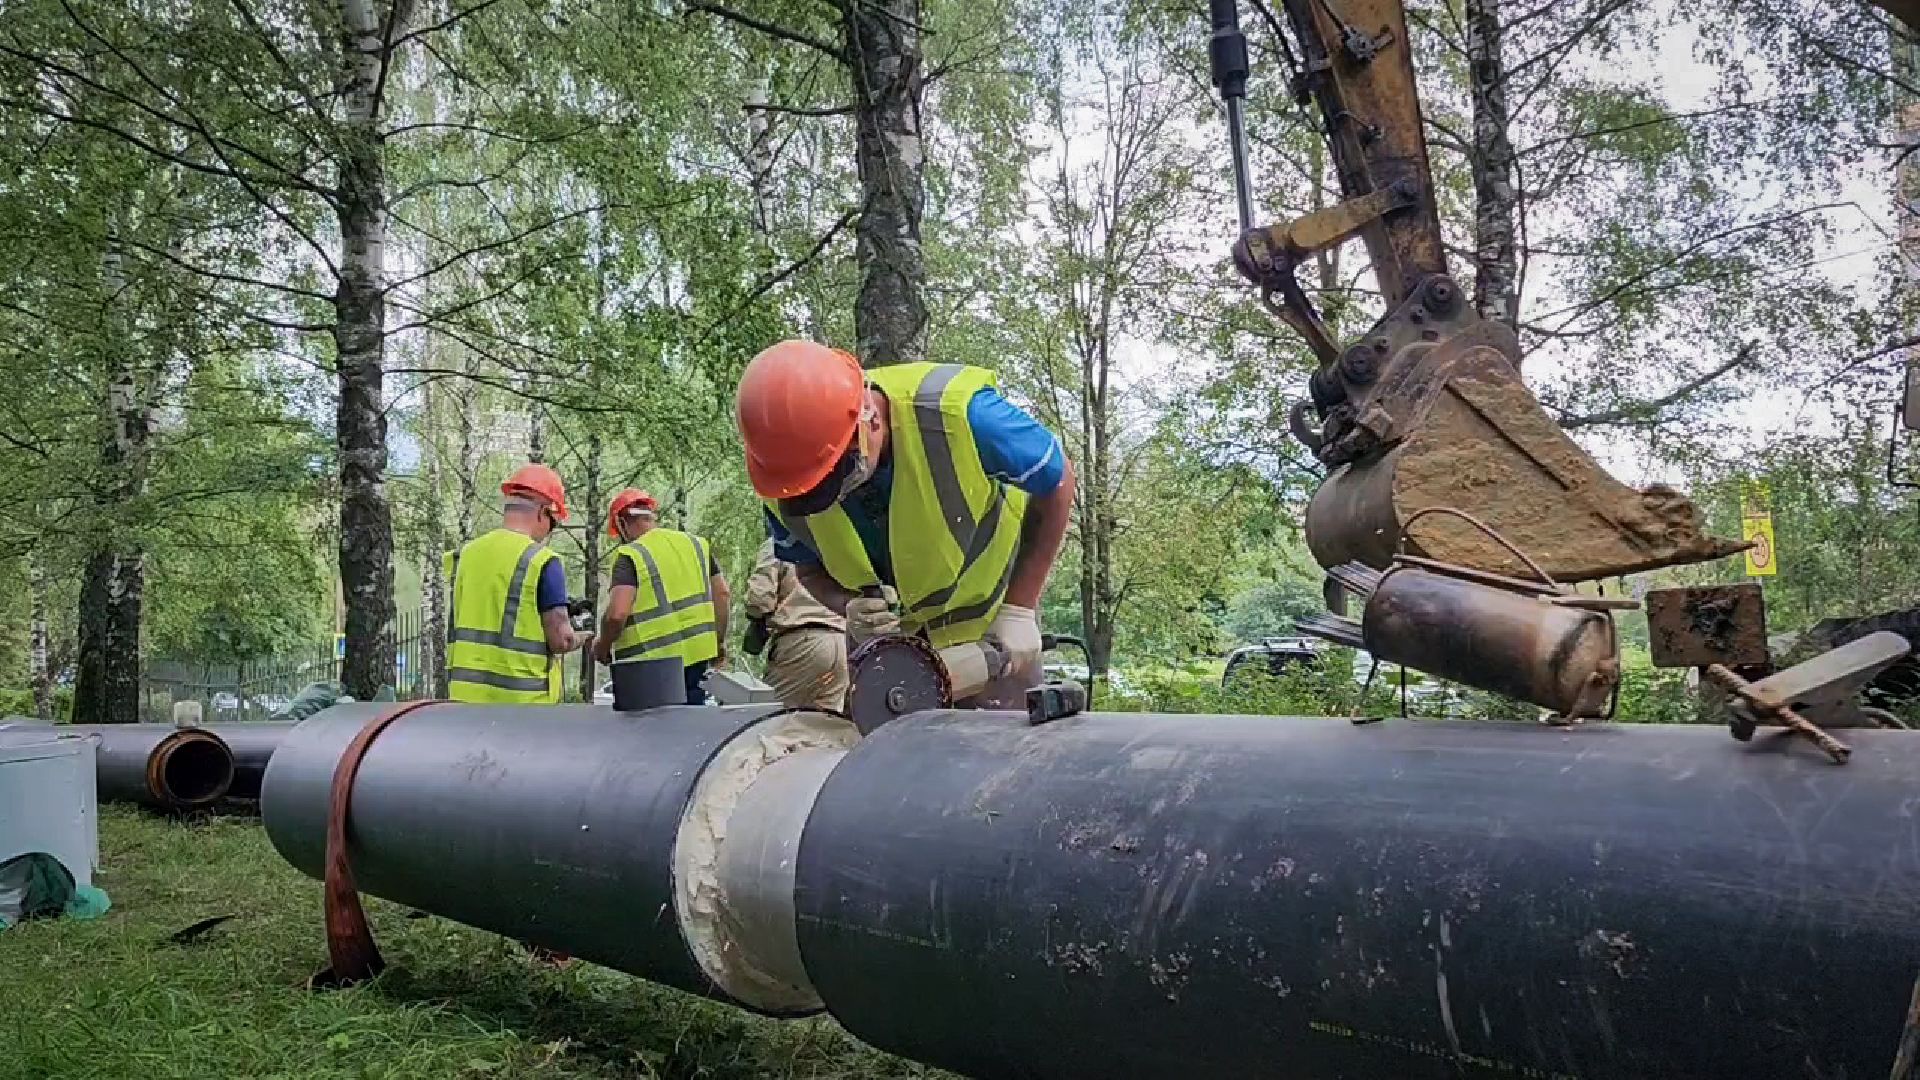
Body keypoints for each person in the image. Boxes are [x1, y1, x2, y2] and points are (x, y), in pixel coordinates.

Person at [734, 341, 1074, 707]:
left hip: (989, 634)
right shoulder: (784, 479)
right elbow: (808, 571)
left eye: (836, 477)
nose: (830, 498)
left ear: (870, 420)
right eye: (812, 492)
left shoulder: (958, 414)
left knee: (1002, 752)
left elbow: (1056, 480)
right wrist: (848, 606)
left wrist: (1020, 607)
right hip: (885, 654)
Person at [446, 463, 587, 704]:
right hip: (522, 707)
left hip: (464, 703)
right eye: (554, 522)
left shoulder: (465, 555)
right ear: (543, 512)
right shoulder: (542, 561)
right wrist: (585, 634)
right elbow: (561, 640)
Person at [593, 488, 730, 704]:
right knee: (688, 729)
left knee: (647, 733)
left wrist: (602, 645)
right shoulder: (696, 545)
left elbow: (617, 614)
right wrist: (718, 642)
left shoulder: (631, 555)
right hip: (696, 660)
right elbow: (722, 594)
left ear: (621, 523)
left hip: (646, 668)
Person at [743, 538, 848, 711]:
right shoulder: (836, 540)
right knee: (825, 726)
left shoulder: (780, 542)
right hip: (842, 643)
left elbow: (759, 600)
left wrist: (757, 623)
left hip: (801, 642)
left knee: (769, 719)